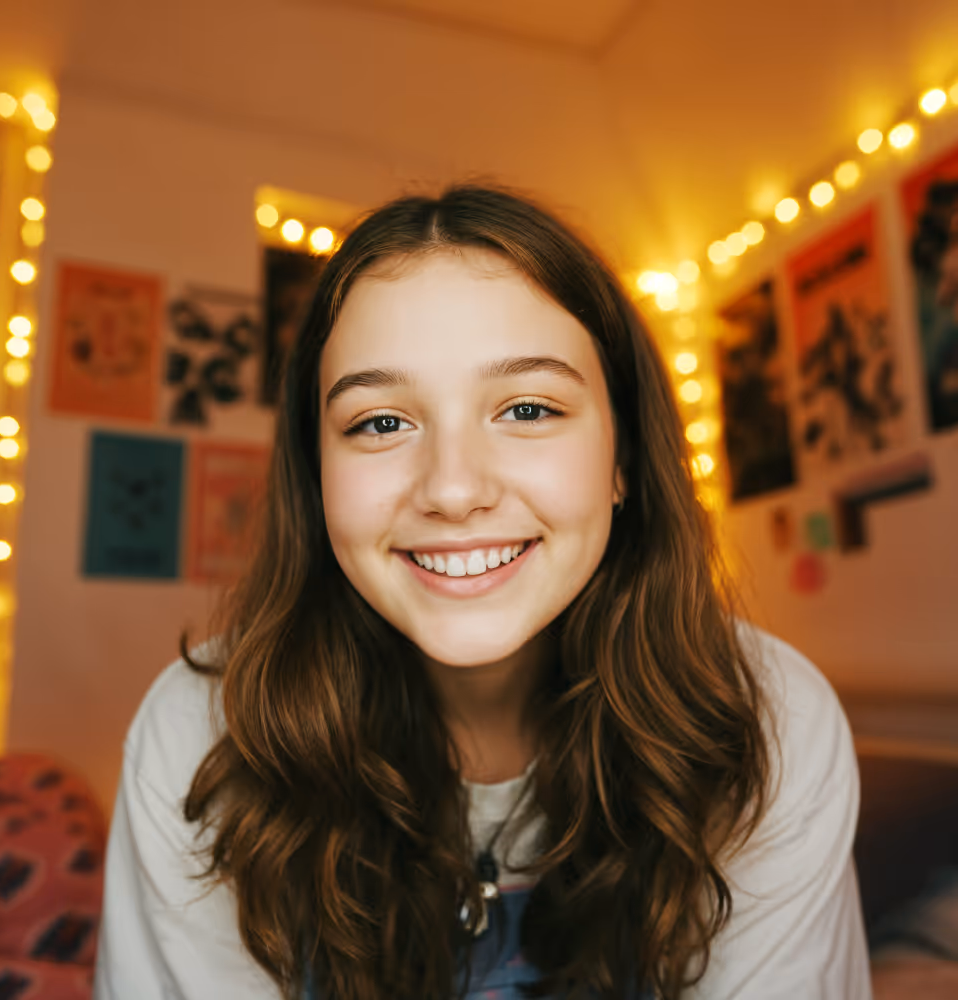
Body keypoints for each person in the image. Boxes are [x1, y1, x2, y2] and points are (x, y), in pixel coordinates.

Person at [93, 186, 871, 999]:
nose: (454, 489)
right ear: (316, 477)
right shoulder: (202, 736)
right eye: (380, 423)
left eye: (528, 408)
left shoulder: (766, 718)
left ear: (624, 459)